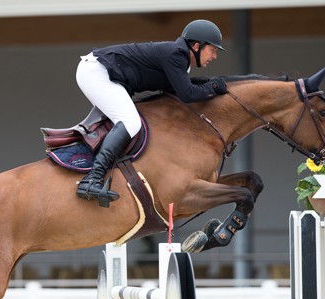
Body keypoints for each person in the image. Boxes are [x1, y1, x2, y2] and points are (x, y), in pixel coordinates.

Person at [75, 19, 228, 207]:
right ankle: (92, 179)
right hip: (96, 73)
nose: (214, 56)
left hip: (103, 73)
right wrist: (213, 85)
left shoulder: (179, 59)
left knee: (128, 120)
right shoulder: (176, 54)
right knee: (130, 122)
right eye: (212, 50)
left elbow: (184, 86)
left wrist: (212, 84)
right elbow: (187, 94)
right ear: (197, 46)